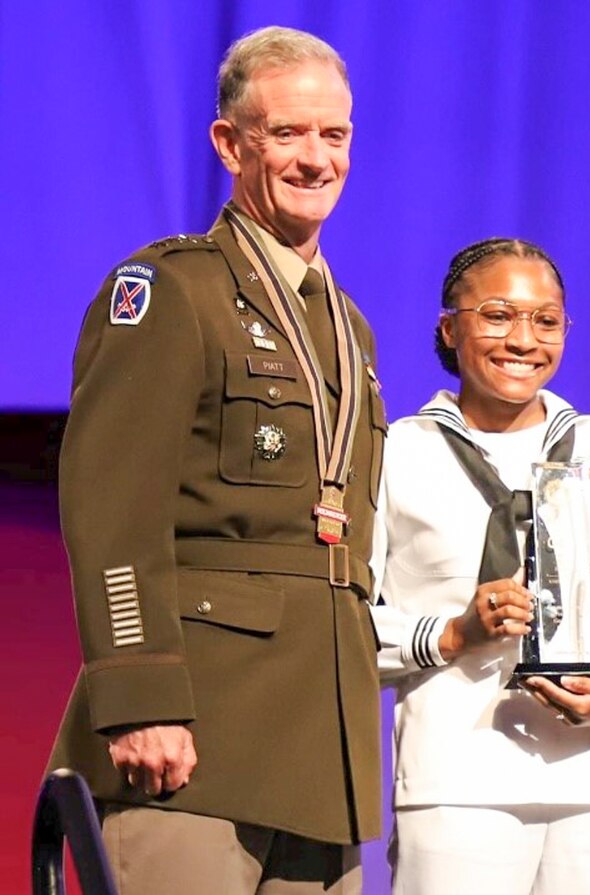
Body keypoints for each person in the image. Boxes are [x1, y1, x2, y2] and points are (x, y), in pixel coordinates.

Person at [47, 26, 385, 894]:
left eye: (334, 135)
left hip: (321, 753)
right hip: (192, 743)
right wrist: (141, 696)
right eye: (288, 134)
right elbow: (110, 507)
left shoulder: (348, 327)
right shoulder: (170, 291)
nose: (316, 159)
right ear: (230, 144)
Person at [369, 237, 590, 894]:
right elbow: (344, 619)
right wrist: (447, 633)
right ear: (449, 327)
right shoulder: (392, 456)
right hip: (456, 783)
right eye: (497, 315)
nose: (523, 338)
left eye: (545, 319)